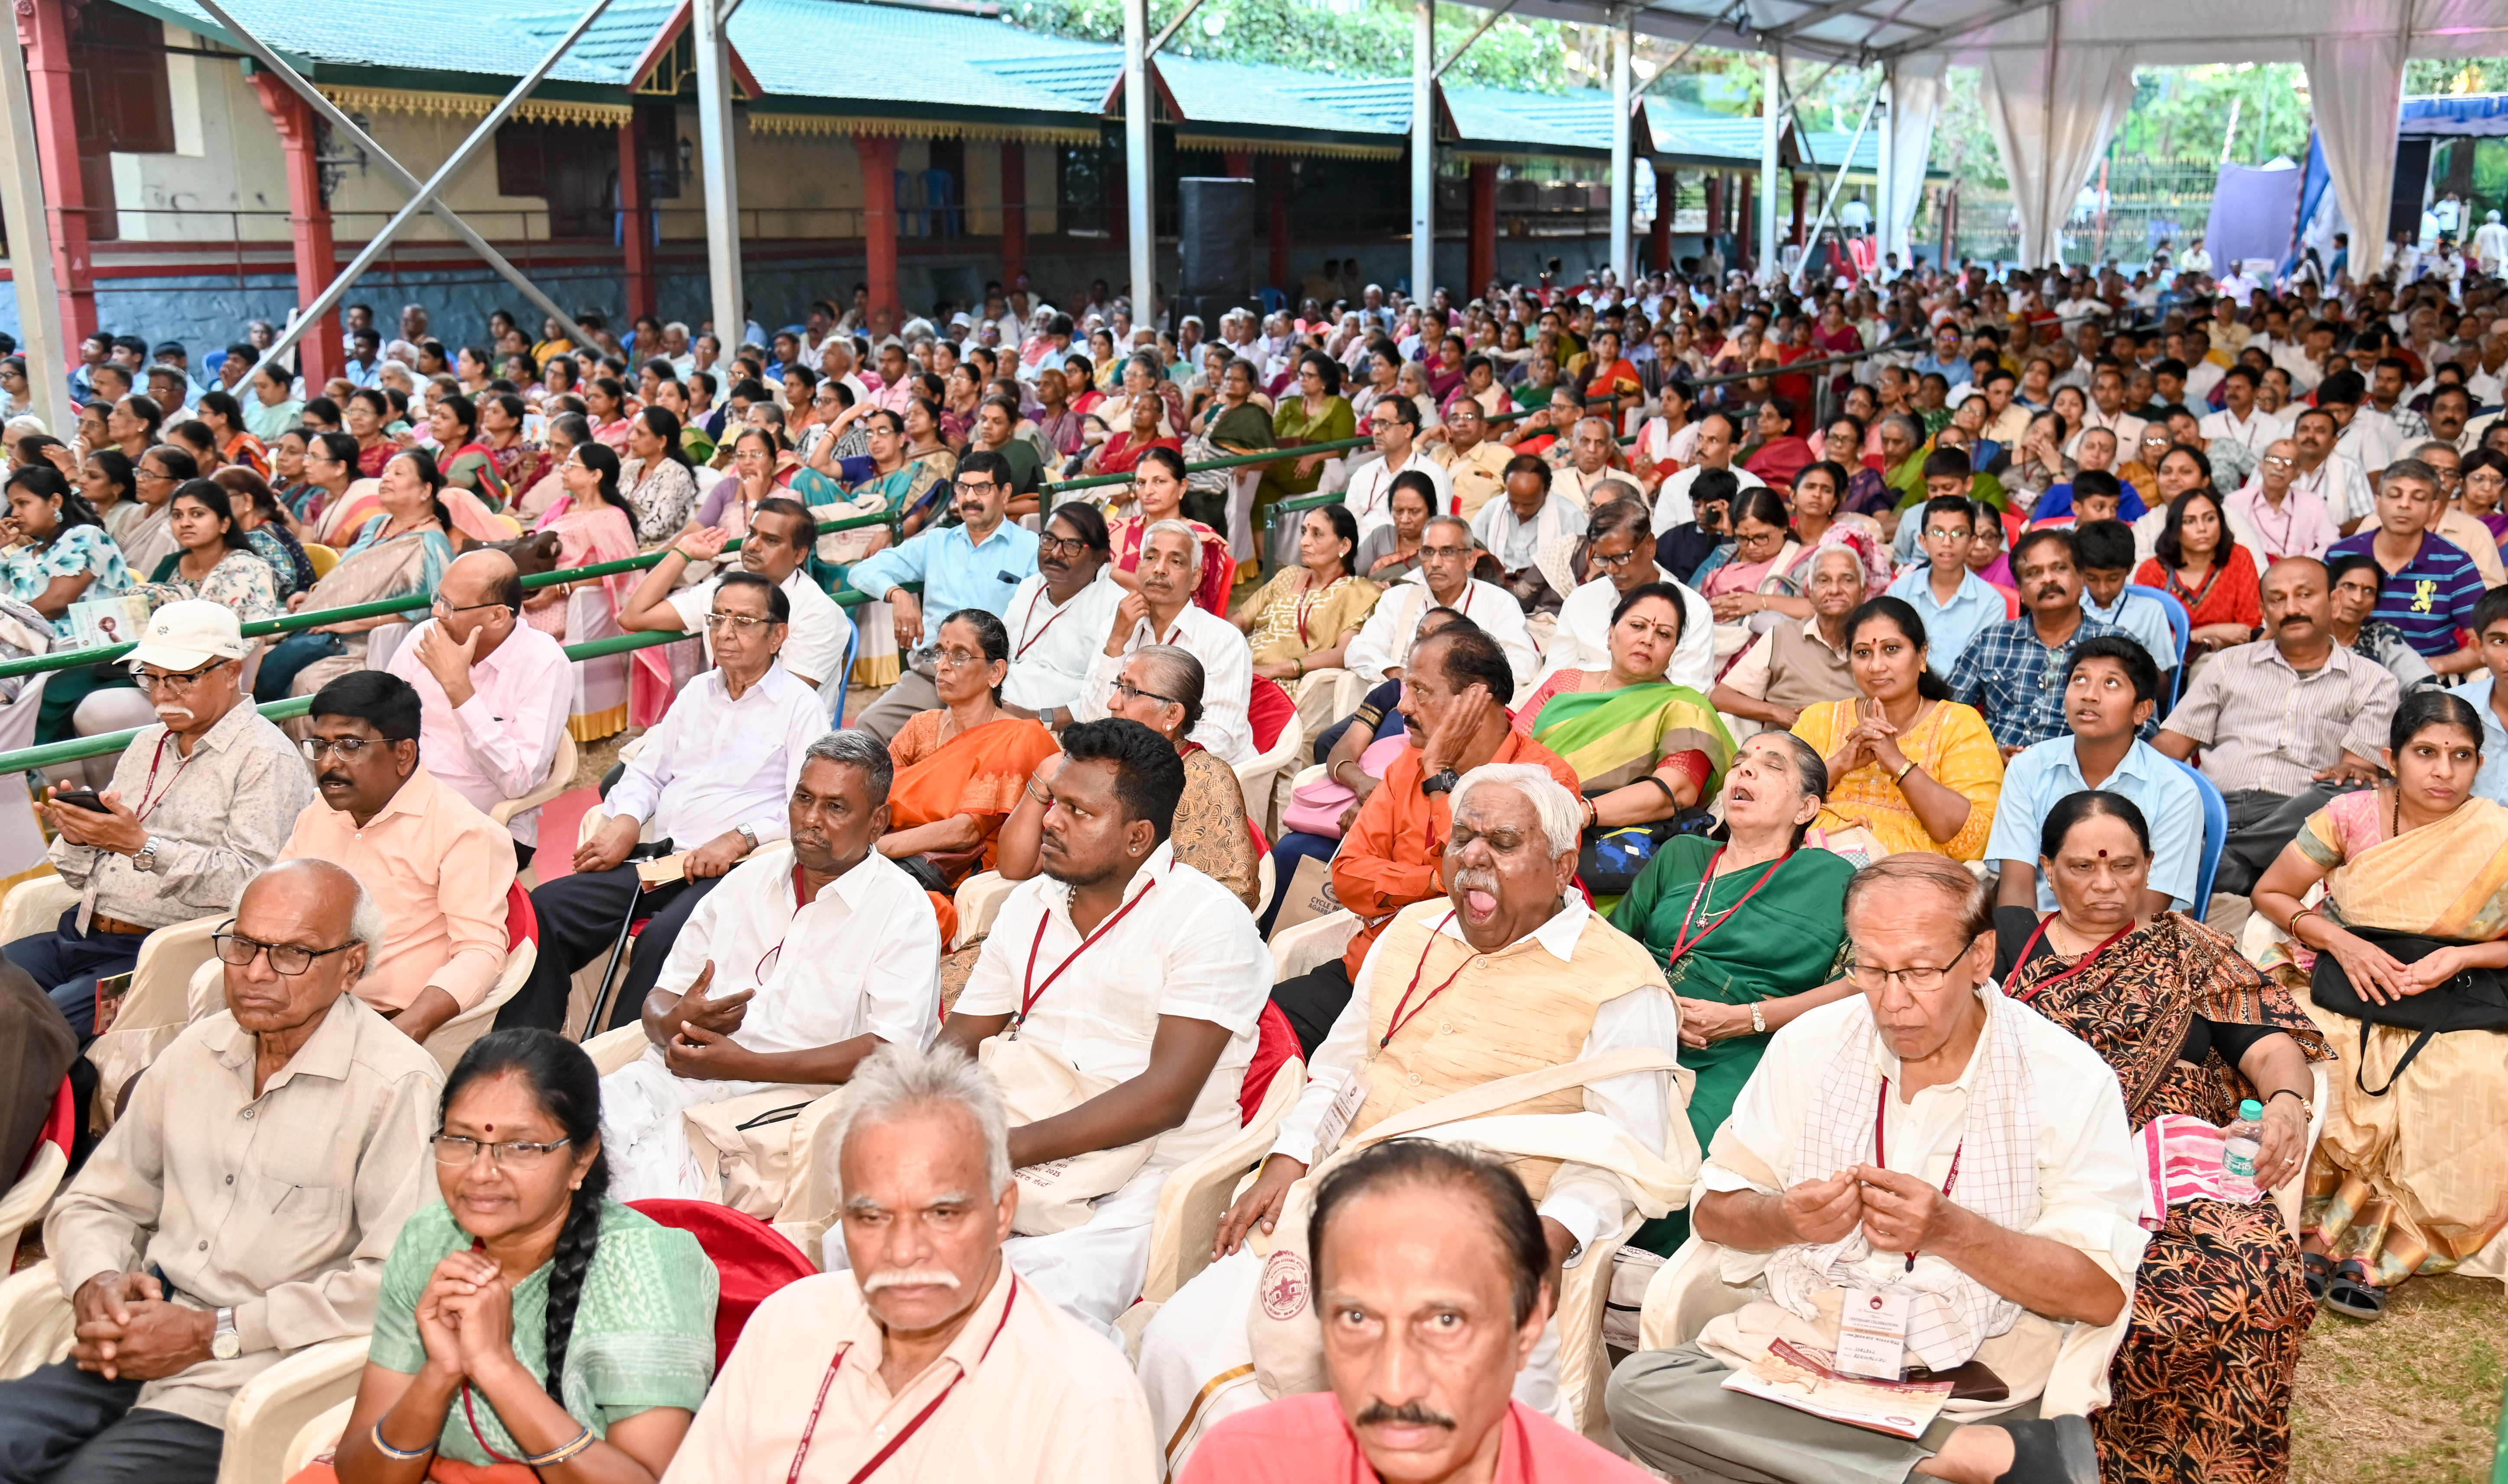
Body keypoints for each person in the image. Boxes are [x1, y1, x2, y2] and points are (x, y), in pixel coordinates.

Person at [1138, 764, 1685, 1467]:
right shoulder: (1410, 933)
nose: (1474, 859)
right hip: (1342, 1200)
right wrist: (1289, 1158)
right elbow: (1341, 1068)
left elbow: (1624, 1153)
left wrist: (1550, 1237)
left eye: (1503, 842)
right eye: (1462, 839)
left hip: (1481, 1241)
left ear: (1562, 866)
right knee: (1177, 1345)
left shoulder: (1622, 982)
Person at [1605, 853, 2146, 1484]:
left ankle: (1872, 1459)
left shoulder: (2066, 1078)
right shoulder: (1812, 1043)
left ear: (1978, 957)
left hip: (1970, 1375)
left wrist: (1951, 1232)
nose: (1892, 1002)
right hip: (1813, 1349)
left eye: (1918, 971)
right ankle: (1947, 1470)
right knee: (1639, 1390)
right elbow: (1714, 1210)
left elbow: (2097, 1293)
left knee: (1718, 1445)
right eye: (1869, 968)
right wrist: (1783, 1219)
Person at [0, 860, 440, 1484]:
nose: (257, 972)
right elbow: (99, 1200)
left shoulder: (397, 1088)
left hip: (256, 1374)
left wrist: (214, 1331)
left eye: (292, 953)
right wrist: (96, 1280)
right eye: (244, 944)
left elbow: (395, 1284)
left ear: (352, 964)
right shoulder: (194, 1051)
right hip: (133, 1341)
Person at [1989, 792, 2326, 1481]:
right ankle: (2096, 1464)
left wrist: (2287, 1100)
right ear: (2047, 870)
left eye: (2124, 866)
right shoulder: (2002, 953)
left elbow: (2266, 1046)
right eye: (2082, 867)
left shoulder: (2190, 948)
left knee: (2251, 1274)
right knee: (2132, 1296)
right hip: (2039, 1160)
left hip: (2174, 1163)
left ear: (2148, 866)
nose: (2106, 885)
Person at [664, 1039, 1159, 1481]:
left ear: (1002, 1210)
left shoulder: (1084, 1398)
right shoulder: (786, 1323)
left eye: (942, 1213)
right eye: (871, 1217)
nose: (903, 1251)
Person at [935, 718, 1270, 1331]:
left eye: (1078, 812)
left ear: (1138, 837)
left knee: (1037, 1310)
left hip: (1146, 1175)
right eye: (1053, 801)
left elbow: (1162, 1100)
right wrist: (921, 1117)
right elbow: (960, 1039)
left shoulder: (1206, 921)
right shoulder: (1029, 906)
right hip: (1023, 1124)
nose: (1051, 822)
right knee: (877, 1249)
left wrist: (999, 1152)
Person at [325, 1029, 716, 1484]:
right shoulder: (429, 1240)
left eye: (522, 1146)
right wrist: (441, 1371)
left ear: (583, 1158)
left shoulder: (643, 1265)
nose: (481, 1172)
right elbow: (361, 1475)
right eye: (461, 1139)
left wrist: (496, 1367)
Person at [1179, 1141, 1656, 1484]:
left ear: (1527, 1330)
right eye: (1357, 1318)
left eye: (1445, 1321)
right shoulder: (1244, 1460)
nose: (1394, 1383)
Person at [2251, 692, 2508, 1321]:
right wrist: (2341, 939)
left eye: (2459, 756)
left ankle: (2384, 1252)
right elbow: (2271, 891)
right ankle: (2312, 1234)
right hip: (2347, 986)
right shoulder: (2348, 815)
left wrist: (2461, 957)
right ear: (2392, 757)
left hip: (2455, 1002)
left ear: (2478, 763)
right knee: (2323, 1064)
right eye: (2424, 753)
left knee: (2475, 1083)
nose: (2442, 771)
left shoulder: (2496, 834)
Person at [600, 732, 939, 1201]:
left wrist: (745, 1064)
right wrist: (674, 1021)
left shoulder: (903, 911)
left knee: (639, 1190)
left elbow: (890, 1050)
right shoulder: (748, 881)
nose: (811, 820)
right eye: (804, 798)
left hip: (779, 1104)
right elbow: (662, 996)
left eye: (836, 807)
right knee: (555, 1134)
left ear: (878, 820)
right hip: (672, 1074)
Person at [503, 572, 829, 1034]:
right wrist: (626, 822)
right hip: (664, 859)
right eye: (717, 618)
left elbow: (806, 804)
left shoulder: (800, 706)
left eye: (744, 621)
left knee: (665, 939)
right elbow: (647, 771)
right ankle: (526, 1052)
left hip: (735, 870)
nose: (725, 631)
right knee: (549, 906)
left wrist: (740, 838)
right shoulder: (697, 692)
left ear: (778, 634)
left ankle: (616, 1066)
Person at [1267, 624, 1581, 1053]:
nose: (1403, 705)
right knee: (1258, 1035)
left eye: (1420, 689)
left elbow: (1496, 902)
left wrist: (1440, 777)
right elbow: (1349, 876)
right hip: (1372, 974)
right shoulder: (1407, 762)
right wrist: (1435, 883)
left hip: (1469, 998)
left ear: (1474, 698)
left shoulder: (1544, 782)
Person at [10, 601, 311, 1043]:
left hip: (157, 955)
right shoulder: (149, 742)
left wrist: (141, 846)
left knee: (34, 1031)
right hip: (80, 932)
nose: (163, 693)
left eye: (181, 678)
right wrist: (80, 837)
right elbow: (77, 875)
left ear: (231, 671)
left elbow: (253, 886)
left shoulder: (267, 758)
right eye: (151, 677)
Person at [1611, 734, 1854, 1253]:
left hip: (1747, 1047)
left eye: (1769, 767)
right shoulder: (1681, 854)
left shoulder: (1832, 878)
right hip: (1635, 1027)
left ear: (1807, 807)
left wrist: (1750, 1018)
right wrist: (1656, 1003)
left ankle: (1647, 1293)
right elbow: (1612, 945)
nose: (1743, 772)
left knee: (1684, 1174)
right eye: (1740, 763)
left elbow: (1863, 984)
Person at [278, 672, 517, 1046]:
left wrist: (407, 1030)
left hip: (389, 1022)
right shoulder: (317, 814)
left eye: (350, 745)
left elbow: (480, 952)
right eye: (320, 746)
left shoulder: (463, 832)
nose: (327, 764)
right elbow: (280, 901)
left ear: (403, 754)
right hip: (304, 1003)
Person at [2153, 557, 2394, 898]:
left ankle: (2221, 858)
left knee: (2350, 790)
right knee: (2142, 778)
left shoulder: (2373, 681)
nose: (2291, 608)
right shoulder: (2228, 664)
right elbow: (2171, 745)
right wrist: (2132, 768)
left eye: (2304, 594)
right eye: (2277, 599)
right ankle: (2242, 867)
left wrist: (2350, 774)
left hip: (2296, 817)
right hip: (2215, 807)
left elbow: (2357, 770)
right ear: (2263, 611)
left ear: (2334, 601)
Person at [1988, 635, 2199, 919]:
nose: (2089, 694)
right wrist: (2031, 956)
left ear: (2142, 710)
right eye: (2079, 680)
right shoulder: (2027, 768)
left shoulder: (2176, 791)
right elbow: (2016, 892)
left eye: (2110, 683)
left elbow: (2147, 913)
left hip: (2133, 949)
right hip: (2039, 937)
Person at [382, 549, 571, 861]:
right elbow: (383, 722)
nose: (437, 613)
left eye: (451, 606)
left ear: (497, 615)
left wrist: (461, 691)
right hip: (403, 805)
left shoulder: (544, 663)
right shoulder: (425, 638)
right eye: (438, 598)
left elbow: (518, 781)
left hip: (487, 825)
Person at [846, 450, 1041, 744]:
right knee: (867, 728)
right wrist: (898, 595)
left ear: (1005, 493)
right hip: (931, 674)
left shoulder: (1030, 548)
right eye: (963, 488)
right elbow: (862, 571)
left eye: (982, 488)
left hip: (991, 679)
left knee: (967, 746)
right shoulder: (938, 542)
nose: (970, 497)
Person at [1512, 580, 1728, 841]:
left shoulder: (1684, 707)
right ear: (1610, 635)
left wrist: (1582, 813)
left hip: (1606, 840)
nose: (1648, 639)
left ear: (1673, 652)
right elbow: (1512, 751)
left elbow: (1675, 791)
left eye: (1663, 635)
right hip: (1520, 815)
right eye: (1637, 626)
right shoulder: (1564, 683)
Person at [1792, 597, 2004, 861]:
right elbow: (1775, 809)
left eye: (1892, 649)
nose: (1876, 666)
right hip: (1814, 868)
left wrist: (1898, 763)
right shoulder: (1820, 719)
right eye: (1863, 653)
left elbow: (1975, 841)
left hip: (1910, 881)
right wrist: (1838, 765)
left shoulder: (1959, 724)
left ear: (1922, 655)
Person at [257, 448, 459, 705]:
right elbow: (348, 574)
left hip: (367, 640)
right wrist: (314, 595)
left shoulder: (431, 542)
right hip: (325, 622)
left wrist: (352, 623)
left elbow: (428, 608)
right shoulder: (377, 524)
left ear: (425, 490)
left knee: (310, 681)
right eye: (386, 472)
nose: (386, 478)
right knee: (258, 654)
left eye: (398, 473)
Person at [881, 608, 1064, 889]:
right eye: (939, 651)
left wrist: (871, 851)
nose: (942, 665)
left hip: (955, 872)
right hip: (896, 859)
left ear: (996, 671)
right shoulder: (922, 726)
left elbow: (965, 831)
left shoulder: (1019, 735)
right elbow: (877, 795)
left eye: (959, 655)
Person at [619, 494, 848, 691]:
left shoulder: (818, 612)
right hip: (722, 717)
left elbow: (788, 702)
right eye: (752, 533)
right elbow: (633, 616)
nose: (753, 546)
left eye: (771, 540)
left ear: (799, 555)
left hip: (785, 736)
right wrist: (683, 552)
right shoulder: (721, 588)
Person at [1074, 520, 1255, 765]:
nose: (1160, 569)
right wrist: (1116, 643)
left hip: (1194, 775)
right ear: (1138, 569)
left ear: (1195, 579)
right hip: (1125, 766)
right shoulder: (1115, 628)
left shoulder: (1223, 639)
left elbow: (1221, 735)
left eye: (1176, 561)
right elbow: (1091, 718)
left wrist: (1149, 765)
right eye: (1151, 558)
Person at [1945, 529, 2139, 753]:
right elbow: (1947, 716)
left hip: (2081, 777)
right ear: (2020, 590)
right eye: (2034, 573)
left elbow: (2143, 729)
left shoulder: (2117, 645)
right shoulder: (1991, 641)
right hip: (1992, 772)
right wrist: (1990, 756)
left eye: (2059, 568)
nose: (2048, 579)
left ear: (2081, 576)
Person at [2323, 457, 2484, 676]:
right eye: (2395, 495)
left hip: (2427, 684)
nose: (2404, 505)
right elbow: (2316, 622)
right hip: (2344, 674)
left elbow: (2487, 641)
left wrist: (2428, 668)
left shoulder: (2454, 563)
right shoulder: (2340, 555)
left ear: (2433, 508)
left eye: (2418, 498)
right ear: (2377, 503)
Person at [1344, 514, 1539, 691]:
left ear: (1470, 560)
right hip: (1401, 702)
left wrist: (1460, 685)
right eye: (1428, 552)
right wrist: (1394, 672)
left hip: (1464, 710)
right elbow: (1358, 650)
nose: (1435, 562)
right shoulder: (1399, 597)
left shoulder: (1498, 602)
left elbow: (1525, 664)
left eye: (1447, 552)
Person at [1541, 497, 1714, 692]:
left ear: (1650, 545)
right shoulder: (1581, 600)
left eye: (1621, 557)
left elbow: (1688, 692)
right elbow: (1555, 676)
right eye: (1603, 559)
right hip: (1576, 712)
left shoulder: (1693, 610)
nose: (1612, 570)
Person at [1710, 544, 1863, 731]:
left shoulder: (1875, 645)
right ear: (1810, 592)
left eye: (1847, 580)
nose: (1835, 590)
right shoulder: (1782, 636)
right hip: (1784, 749)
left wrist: (1834, 717)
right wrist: (1779, 713)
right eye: (1824, 580)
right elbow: (1722, 696)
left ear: (1864, 591)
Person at [999, 501, 1122, 729]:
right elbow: (1001, 657)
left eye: (1072, 546)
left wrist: (1035, 718)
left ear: (1099, 557)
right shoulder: (1029, 588)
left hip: (1060, 736)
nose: (1056, 553)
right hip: (1000, 719)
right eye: (1049, 540)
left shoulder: (1114, 607)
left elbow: (1103, 701)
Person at [1230, 504, 1380, 683]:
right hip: (1243, 669)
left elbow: (1344, 653)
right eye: (1304, 533)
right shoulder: (1289, 575)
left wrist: (1277, 670)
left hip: (1286, 683)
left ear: (1344, 545)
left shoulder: (1357, 592)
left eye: (1317, 534)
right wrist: (1227, 651)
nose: (1304, 542)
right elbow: (1240, 621)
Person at [1883, 495, 2009, 679]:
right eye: (1938, 533)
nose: (1947, 543)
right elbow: (1888, 655)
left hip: (1959, 703)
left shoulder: (1992, 603)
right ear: (1923, 541)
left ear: (1972, 542)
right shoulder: (1899, 592)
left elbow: (1981, 673)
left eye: (1958, 533)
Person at [2134, 488, 2261, 660]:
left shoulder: (2239, 557)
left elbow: (2247, 629)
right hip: (2165, 663)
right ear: (2175, 528)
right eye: (2190, 521)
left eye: (2210, 519)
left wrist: (2203, 643)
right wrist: (2210, 633)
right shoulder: (2152, 571)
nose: (2202, 529)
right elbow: (2148, 636)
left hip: (2229, 659)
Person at [128, 478, 280, 621]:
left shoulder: (243, 567)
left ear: (224, 524)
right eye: (177, 516)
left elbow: (246, 633)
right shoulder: (171, 563)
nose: (185, 523)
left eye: (198, 514)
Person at [1106, 448, 1232, 618]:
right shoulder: (1115, 530)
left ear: (1182, 488)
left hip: (1172, 632)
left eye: (1159, 482)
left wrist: (1114, 573)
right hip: (1107, 621)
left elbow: (1174, 594)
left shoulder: (1198, 538)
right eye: (1141, 483)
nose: (1148, 491)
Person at [1, 464, 130, 619]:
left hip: (88, 640)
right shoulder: (22, 556)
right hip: (26, 640)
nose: (15, 513)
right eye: (12, 506)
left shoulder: (85, 537)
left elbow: (57, 603)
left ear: (55, 502)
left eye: (23, 503)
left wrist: (8, 625)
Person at [1470, 455, 1589, 617]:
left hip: (1546, 599)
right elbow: (1471, 548)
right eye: (1513, 502)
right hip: (1496, 590)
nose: (1519, 510)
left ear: (1546, 492)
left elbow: (1583, 566)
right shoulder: (1493, 508)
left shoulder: (1569, 516)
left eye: (1528, 504)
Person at [1343, 394, 1453, 544]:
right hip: (1361, 556)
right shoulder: (1364, 473)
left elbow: (1439, 529)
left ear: (1408, 430)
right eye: (1374, 424)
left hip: (1408, 559)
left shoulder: (1433, 474)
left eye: (1384, 424)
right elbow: (1348, 526)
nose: (1376, 431)